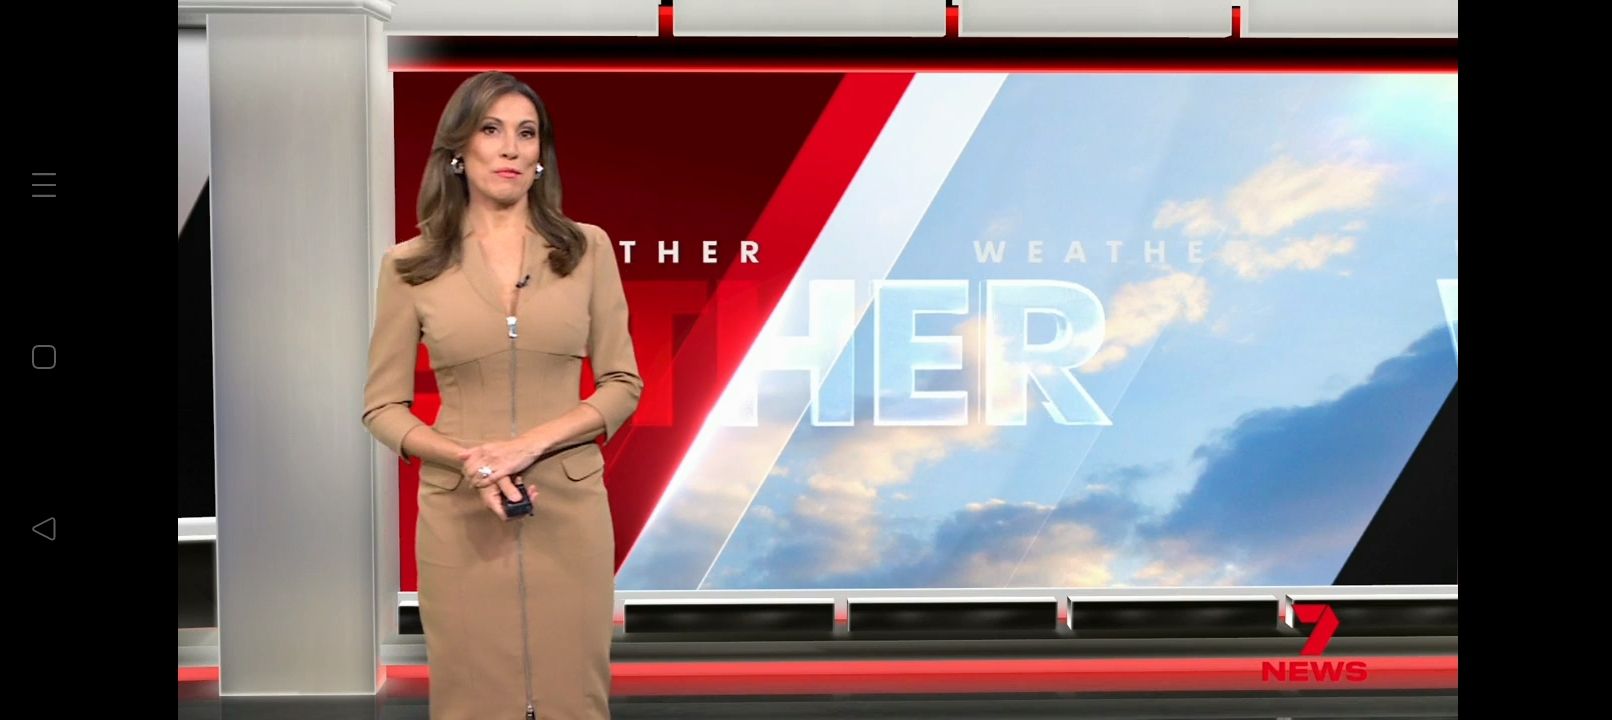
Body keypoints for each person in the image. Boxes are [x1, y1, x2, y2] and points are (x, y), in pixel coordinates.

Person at [362, 71, 642, 720]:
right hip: (460, 509)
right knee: (471, 697)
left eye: (527, 133)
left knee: (574, 698)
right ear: (459, 149)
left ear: (542, 155)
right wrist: (472, 461)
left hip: (568, 506)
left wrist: (526, 447)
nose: (511, 148)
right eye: (491, 130)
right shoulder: (409, 265)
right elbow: (383, 407)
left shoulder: (587, 249)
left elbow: (622, 384)